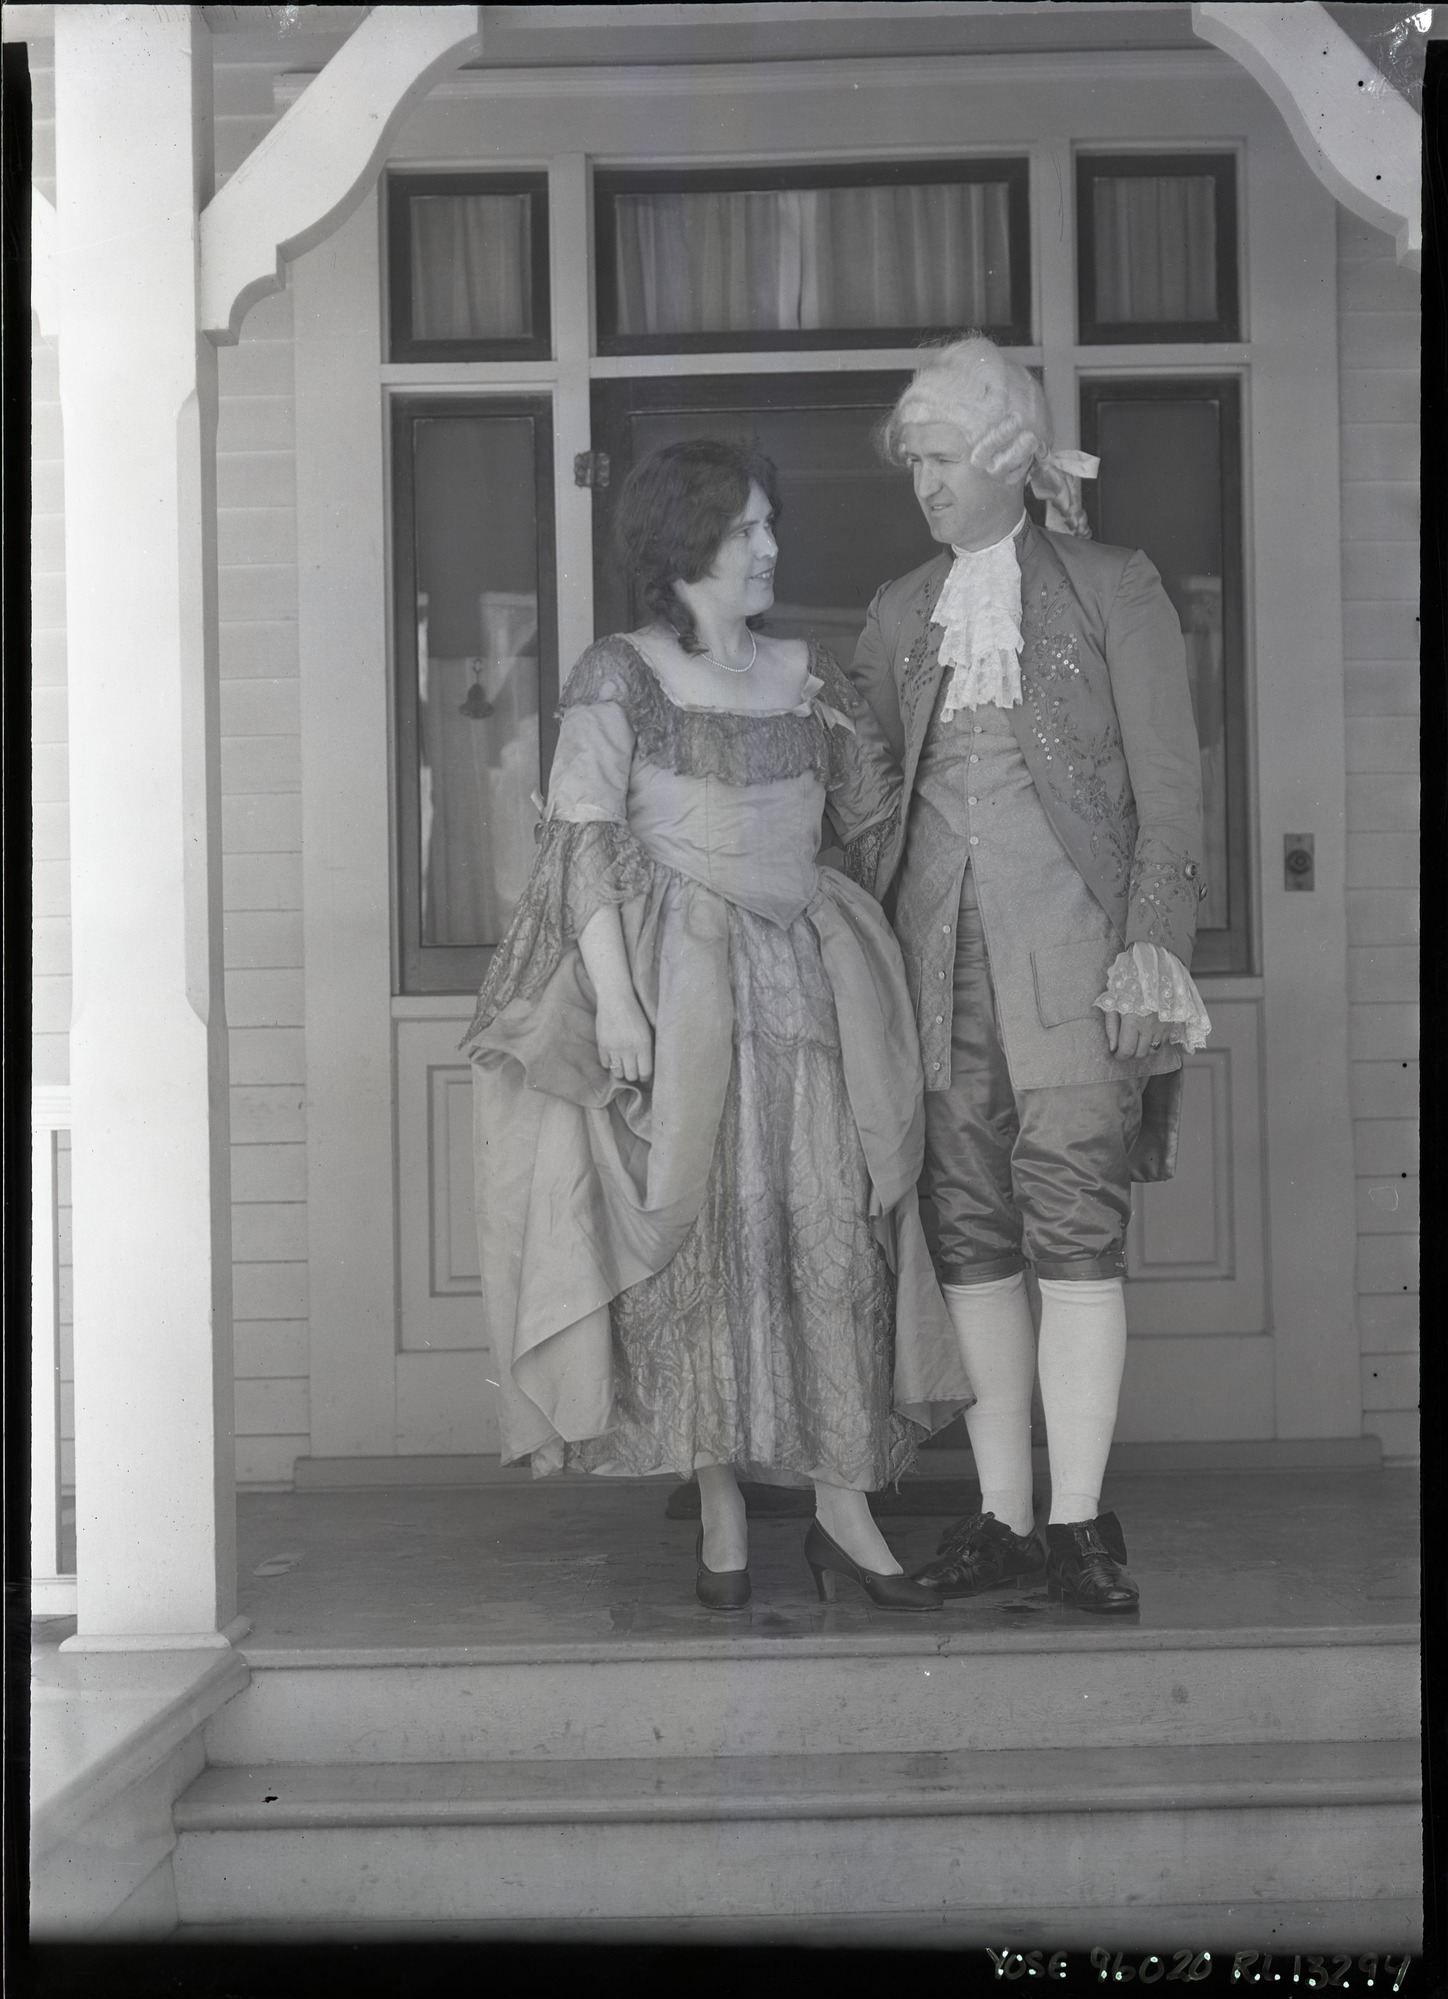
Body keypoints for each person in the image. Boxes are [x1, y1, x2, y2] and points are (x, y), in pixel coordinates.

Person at [463, 438, 967, 1614]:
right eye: (747, 528)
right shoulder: (618, 674)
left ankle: (843, 1504)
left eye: (766, 524)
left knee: (828, 1230)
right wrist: (620, 1002)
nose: (770, 547)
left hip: (808, 981)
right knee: (698, 1243)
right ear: (684, 541)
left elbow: (885, 818)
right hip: (676, 994)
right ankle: (722, 1501)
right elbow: (580, 835)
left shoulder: (811, 674)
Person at [845, 336, 1211, 1613]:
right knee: (969, 1234)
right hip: (934, 969)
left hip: (1077, 967)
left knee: (1074, 1229)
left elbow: (1168, 787)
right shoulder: (898, 613)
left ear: (1006, 452)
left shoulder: (1115, 587)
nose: (925, 488)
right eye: (913, 467)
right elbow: (870, 804)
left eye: (941, 459)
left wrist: (1151, 939)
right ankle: (1000, 1517)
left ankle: (1076, 1524)